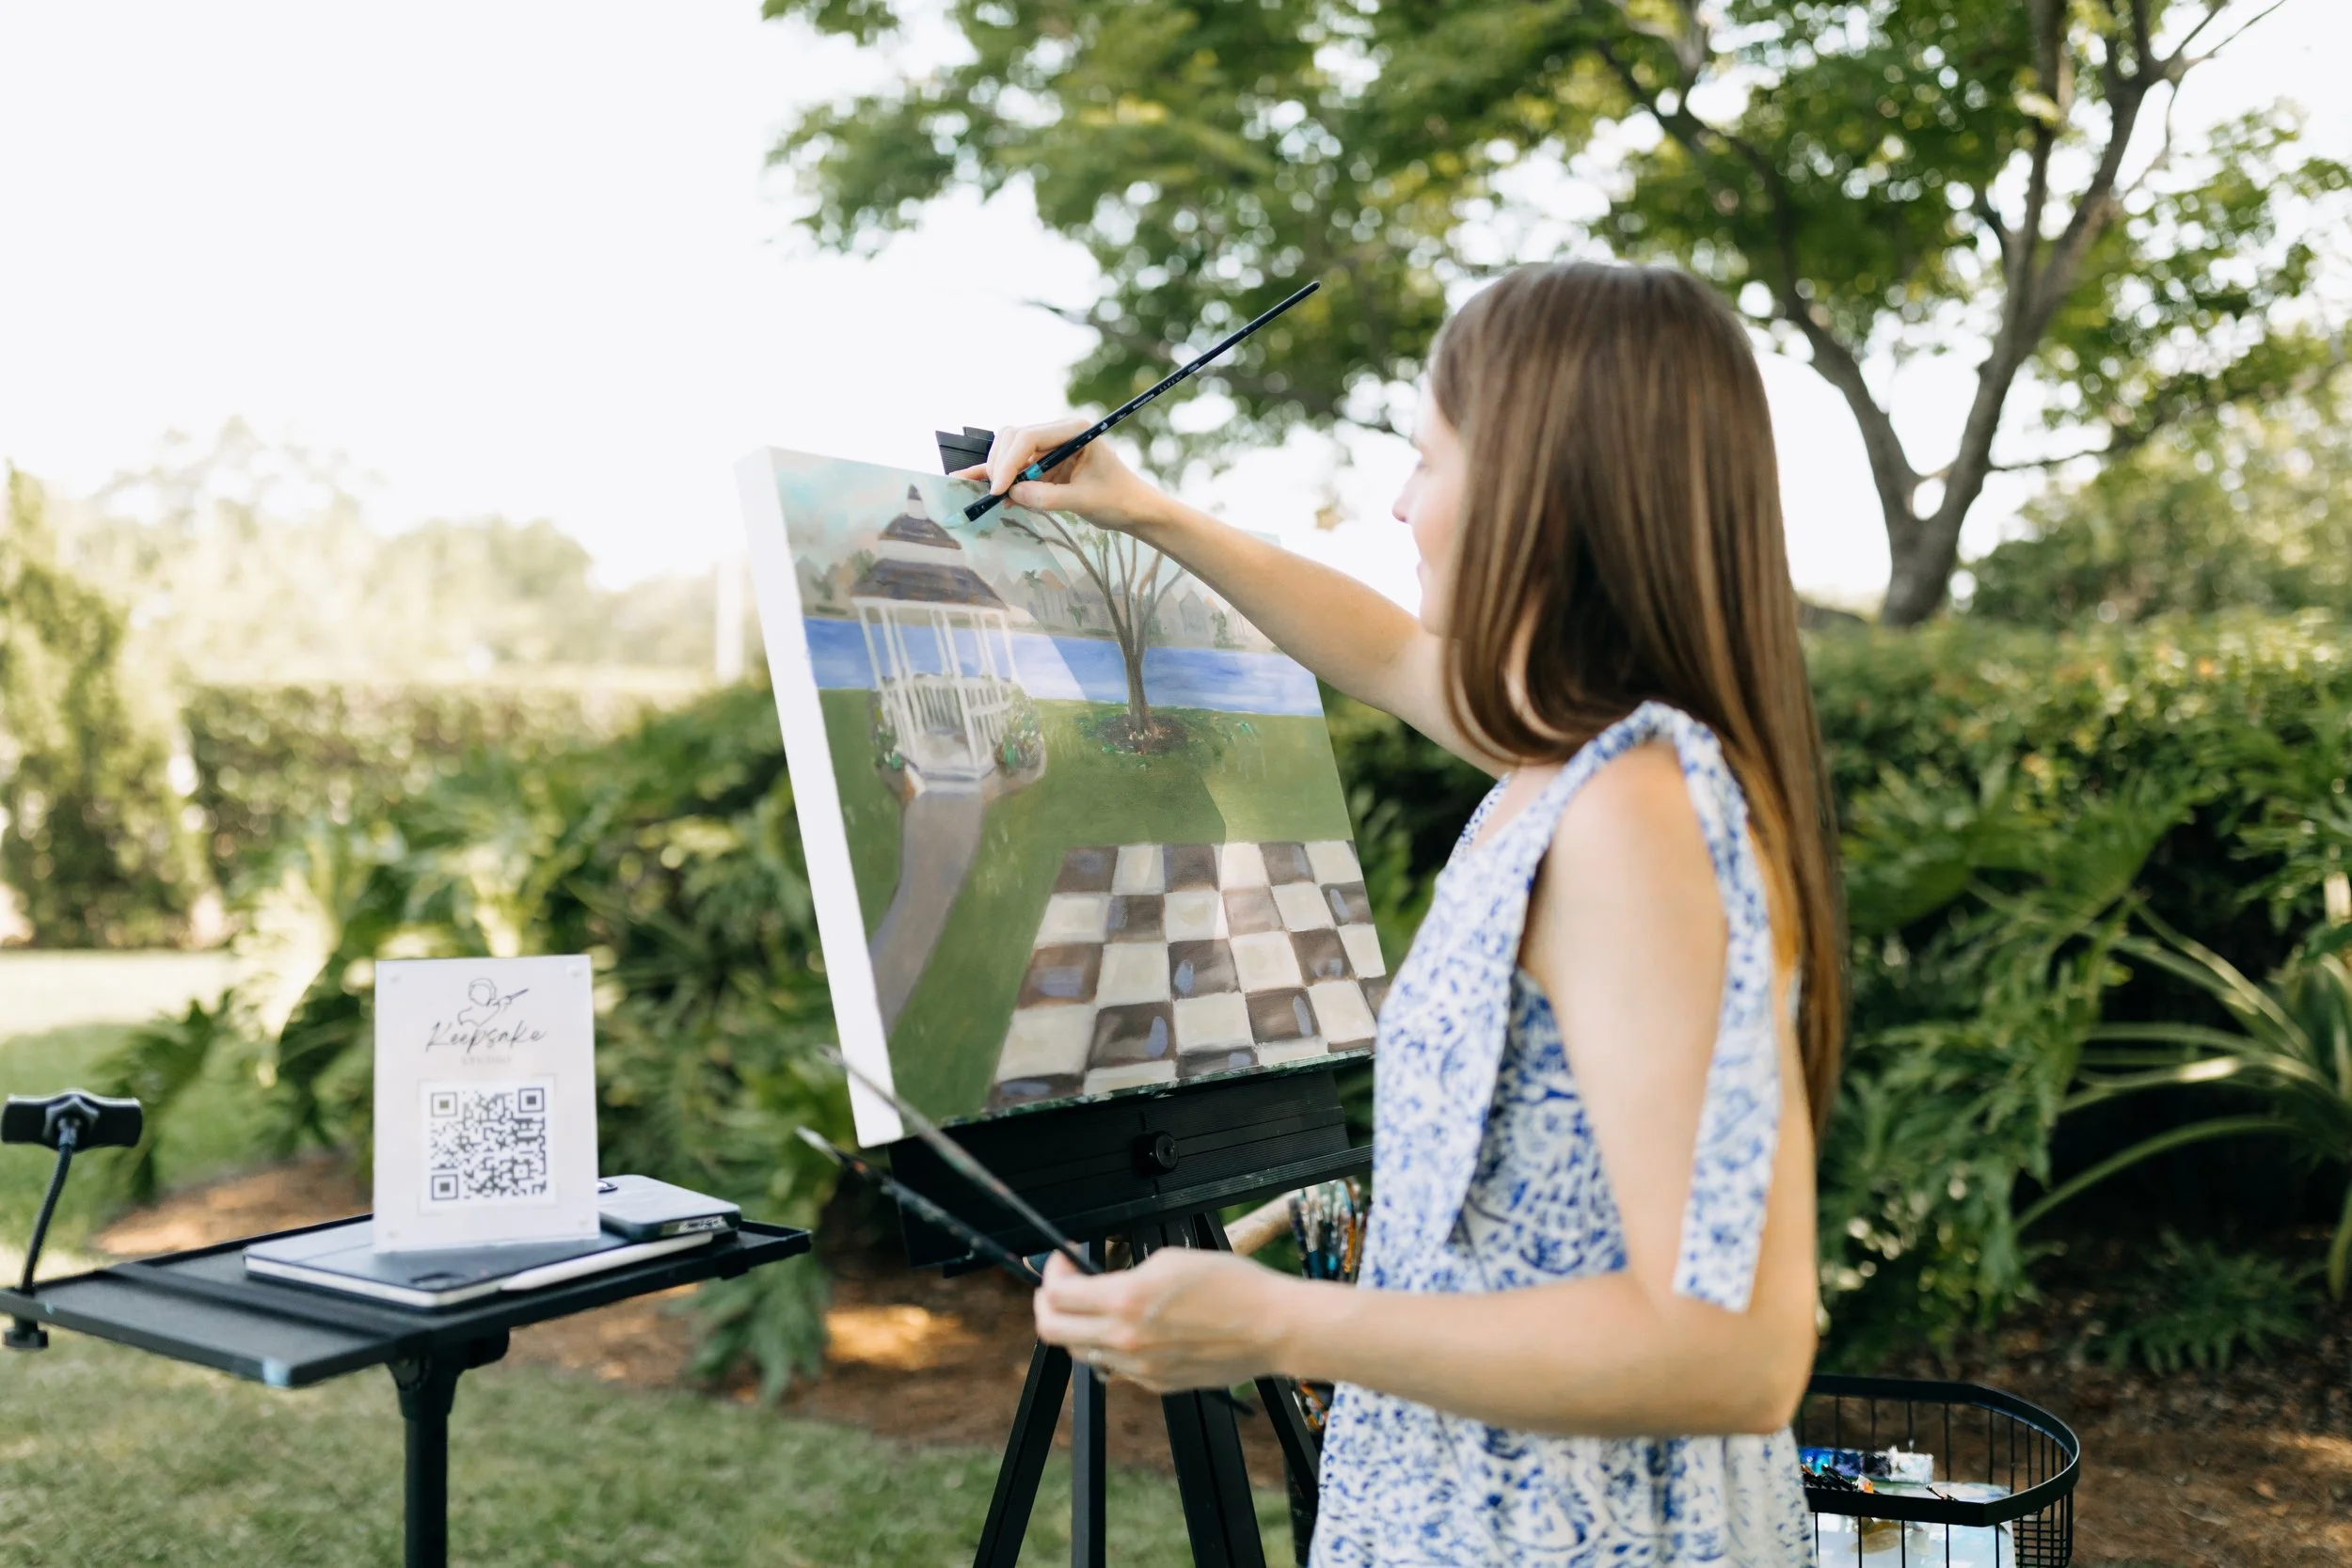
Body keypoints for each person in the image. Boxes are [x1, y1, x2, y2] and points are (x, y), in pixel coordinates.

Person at [960, 261, 1844, 1564]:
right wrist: (1146, 511)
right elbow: (1380, 650)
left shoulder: (1637, 813)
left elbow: (1737, 1348)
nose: (1397, 502)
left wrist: (1274, 1325)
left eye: (1426, 460)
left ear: (1540, 492)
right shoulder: (1569, 761)